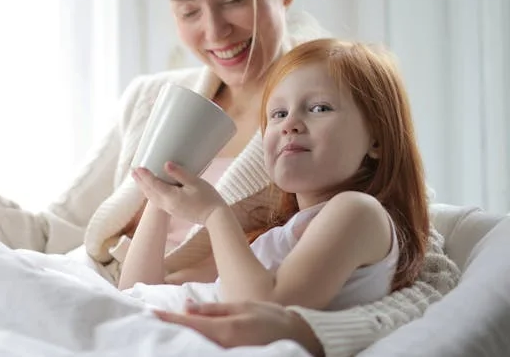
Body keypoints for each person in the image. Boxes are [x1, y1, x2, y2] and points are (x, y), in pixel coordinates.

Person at [0, 0, 460, 355]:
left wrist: (304, 331)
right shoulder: (151, 101)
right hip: (112, 296)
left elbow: (424, 274)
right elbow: (50, 239)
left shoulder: (340, 114)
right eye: (187, 11)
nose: (214, 30)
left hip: (187, 324)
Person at [121, 39, 435, 315]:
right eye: (278, 114)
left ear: (377, 140)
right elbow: (137, 292)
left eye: (319, 108)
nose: (290, 124)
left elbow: (267, 308)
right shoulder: (277, 237)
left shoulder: (358, 212)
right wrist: (160, 198)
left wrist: (214, 214)